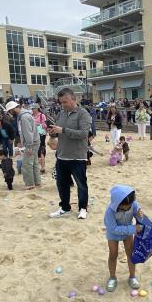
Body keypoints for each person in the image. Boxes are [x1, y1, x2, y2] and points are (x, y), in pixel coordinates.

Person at [48, 88, 91, 219]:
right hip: (61, 155)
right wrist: (53, 132)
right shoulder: (61, 114)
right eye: (61, 102)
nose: (63, 105)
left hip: (78, 156)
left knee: (81, 184)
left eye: (65, 102)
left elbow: (84, 134)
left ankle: (83, 208)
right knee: (62, 184)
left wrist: (63, 130)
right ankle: (64, 207)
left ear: (74, 99)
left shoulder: (83, 114)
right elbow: (59, 131)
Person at [103, 185, 144, 292]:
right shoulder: (110, 212)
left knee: (130, 253)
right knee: (113, 254)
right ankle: (112, 277)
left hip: (128, 232)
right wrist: (132, 228)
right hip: (114, 234)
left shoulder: (133, 204)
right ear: (117, 204)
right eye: (124, 208)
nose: (127, 209)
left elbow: (138, 215)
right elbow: (113, 229)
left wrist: (139, 214)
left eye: (129, 207)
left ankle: (132, 276)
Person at [10, 101, 42, 190]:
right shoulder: (26, 115)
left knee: (27, 164)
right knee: (34, 163)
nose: (10, 113)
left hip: (32, 143)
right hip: (34, 142)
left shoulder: (24, 117)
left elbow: (28, 133)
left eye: (10, 110)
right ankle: (37, 182)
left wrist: (29, 146)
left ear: (14, 109)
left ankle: (30, 184)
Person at [32, 104, 48, 174]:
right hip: (33, 134)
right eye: (32, 108)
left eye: (33, 108)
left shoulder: (42, 115)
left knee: (41, 150)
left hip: (41, 134)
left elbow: (45, 125)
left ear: (37, 108)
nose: (32, 110)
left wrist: (38, 125)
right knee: (35, 151)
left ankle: (42, 167)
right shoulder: (31, 116)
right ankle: (38, 167)